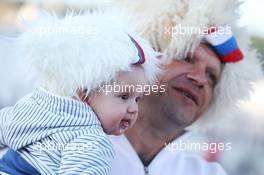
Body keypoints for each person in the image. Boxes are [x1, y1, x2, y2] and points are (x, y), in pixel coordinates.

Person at [108, 0, 263, 174]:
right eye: (186, 58)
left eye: (211, 76)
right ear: (144, 61)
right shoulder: (77, 146)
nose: (199, 78)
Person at [0, 11, 160, 174]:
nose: (133, 108)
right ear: (85, 94)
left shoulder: (34, 106)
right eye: (124, 97)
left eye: (137, 99)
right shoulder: (91, 140)